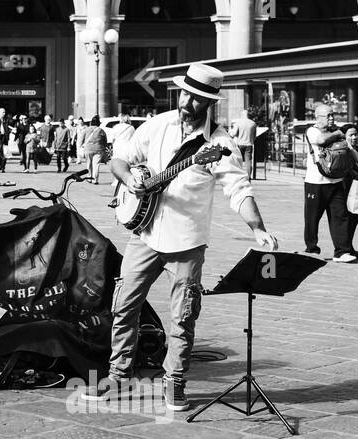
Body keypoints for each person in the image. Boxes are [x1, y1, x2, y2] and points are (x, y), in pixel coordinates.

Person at [89, 62, 278, 412]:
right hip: (145, 232)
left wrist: (258, 228)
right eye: (187, 95)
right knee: (124, 305)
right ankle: (118, 374)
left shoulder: (219, 145)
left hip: (187, 242)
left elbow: (238, 189)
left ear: (210, 103)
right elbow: (120, 159)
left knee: (183, 314)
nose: (189, 104)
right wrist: (129, 179)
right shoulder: (157, 125)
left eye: (198, 99)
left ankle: (174, 381)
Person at [303, 111, 357, 261]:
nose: (332, 118)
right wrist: (340, 133)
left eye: (332, 115)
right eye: (328, 116)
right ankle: (311, 248)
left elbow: (350, 148)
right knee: (312, 217)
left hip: (336, 181)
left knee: (340, 216)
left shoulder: (335, 131)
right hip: (315, 182)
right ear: (318, 117)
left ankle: (342, 251)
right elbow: (321, 140)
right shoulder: (312, 131)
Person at [106, 112, 136, 208]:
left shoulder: (116, 127)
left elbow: (112, 139)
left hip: (117, 147)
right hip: (127, 148)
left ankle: (116, 180)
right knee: (125, 165)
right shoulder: (131, 128)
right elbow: (133, 139)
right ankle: (122, 183)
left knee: (116, 164)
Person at [229, 107, 257, 180]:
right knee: (248, 161)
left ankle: (238, 176)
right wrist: (251, 141)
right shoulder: (253, 123)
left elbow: (234, 134)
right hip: (249, 144)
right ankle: (248, 177)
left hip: (240, 144)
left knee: (238, 161)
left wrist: (230, 133)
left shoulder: (238, 123)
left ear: (242, 115)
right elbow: (254, 136)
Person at [79, 114, 107, 184]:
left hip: (88, 149)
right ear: (98, 123)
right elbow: (105, 141)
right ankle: (95, 180)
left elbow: (81, 140)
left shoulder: (86, 129)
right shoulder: (101, 130)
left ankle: (89, 178)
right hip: (98, 149)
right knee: (96, 165)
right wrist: (104, 148)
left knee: (89, 164)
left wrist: (81, 146)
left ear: (91, 122)